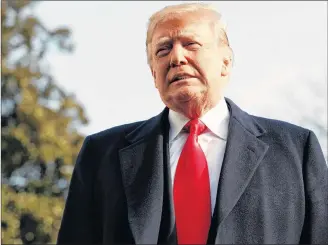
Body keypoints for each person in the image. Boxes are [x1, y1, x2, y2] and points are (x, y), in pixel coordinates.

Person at [57, 3, 328, 244]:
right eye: (163, 49)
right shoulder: (101, 154)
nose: (176, 58)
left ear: (226, 63)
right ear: (153, 73)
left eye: (191, 44)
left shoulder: (295, 150)